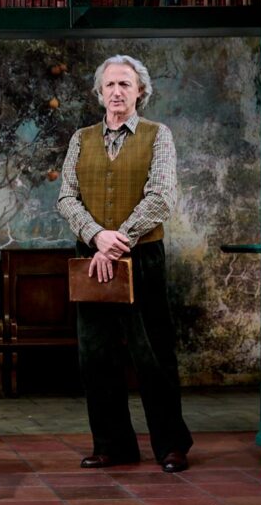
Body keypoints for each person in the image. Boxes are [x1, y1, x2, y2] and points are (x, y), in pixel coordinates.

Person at [57, 55, 193, 473]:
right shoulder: (81, 139)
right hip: (91, 258)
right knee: (96, 356)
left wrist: (118, 241)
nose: (117, 91)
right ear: (100, 92)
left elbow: (162, 196)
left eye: (125, 84)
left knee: (153, 354)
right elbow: (66, 197)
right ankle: (112, 445)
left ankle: (171, 445)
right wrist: (97, 236)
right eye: (110, 84)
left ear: (140, 92)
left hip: (142, 256)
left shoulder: (158, 135)